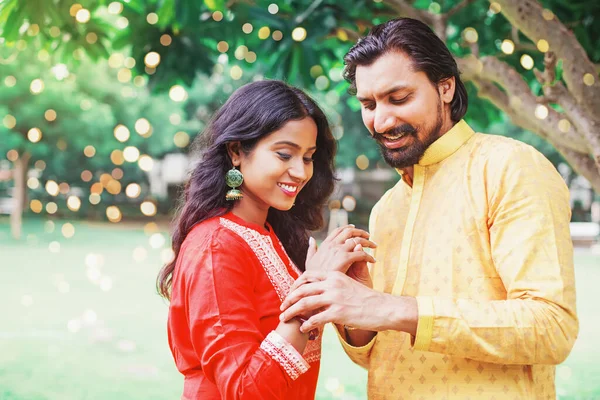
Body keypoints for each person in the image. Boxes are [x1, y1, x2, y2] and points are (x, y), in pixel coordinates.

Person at [280, 18, 578, 399]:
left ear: (446, 87)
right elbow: (383, 356)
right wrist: (356, 310)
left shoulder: (510, 167)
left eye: (399, 98)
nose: (381, 121)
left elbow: (551, 328)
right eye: (368, 104)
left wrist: (391, 308)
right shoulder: (387, 208)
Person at [156, 80, 376, 400]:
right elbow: (245, 390)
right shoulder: (216, 247)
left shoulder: (275, 237)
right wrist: (311, 287)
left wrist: (355, 291)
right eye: (284, 154)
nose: (300, 172)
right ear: (236, 151)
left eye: (308, 157)